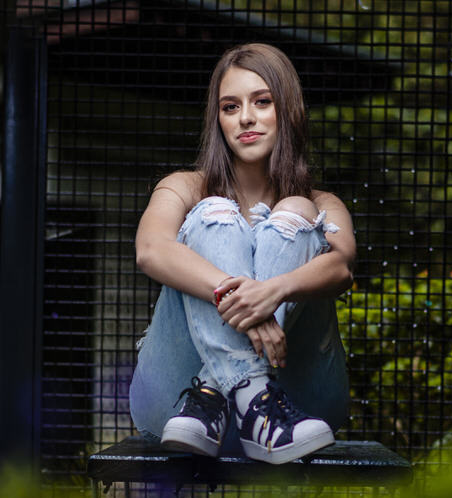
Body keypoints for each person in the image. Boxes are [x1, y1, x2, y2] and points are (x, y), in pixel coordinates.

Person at [129, 42, 355, 465]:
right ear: (218, 120)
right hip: (180, 412)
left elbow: (341, 267)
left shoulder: (322, 202)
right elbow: (151, 250)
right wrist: (239, 296)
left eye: (262, 102)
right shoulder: (184, 186)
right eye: (230, 107)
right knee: (212, 211)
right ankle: (241, 395)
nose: (245, 117)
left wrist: (275, 290)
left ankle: (235, 392)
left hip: (298, 411)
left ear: (288, 110)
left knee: (298, 211)